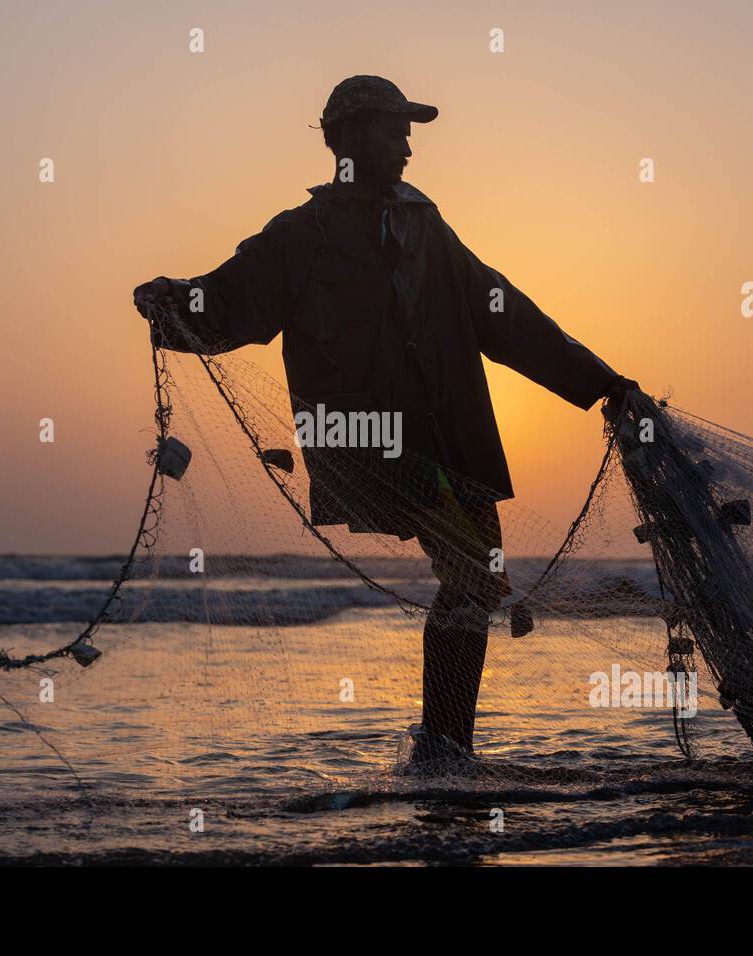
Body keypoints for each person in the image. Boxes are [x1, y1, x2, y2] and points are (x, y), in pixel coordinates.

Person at [134, 75, 639, 769]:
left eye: (408, 132)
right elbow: (228, 302)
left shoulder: (425, 227)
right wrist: (173, 303)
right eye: (393, 130)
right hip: (368, 442)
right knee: (470, 576)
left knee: (475, 583)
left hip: (452, 438)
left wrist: (601, 381)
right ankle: (445, 749)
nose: (406, 146)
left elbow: (506, 315)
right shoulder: (299, 237)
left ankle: (446, 747)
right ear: (346, 139)